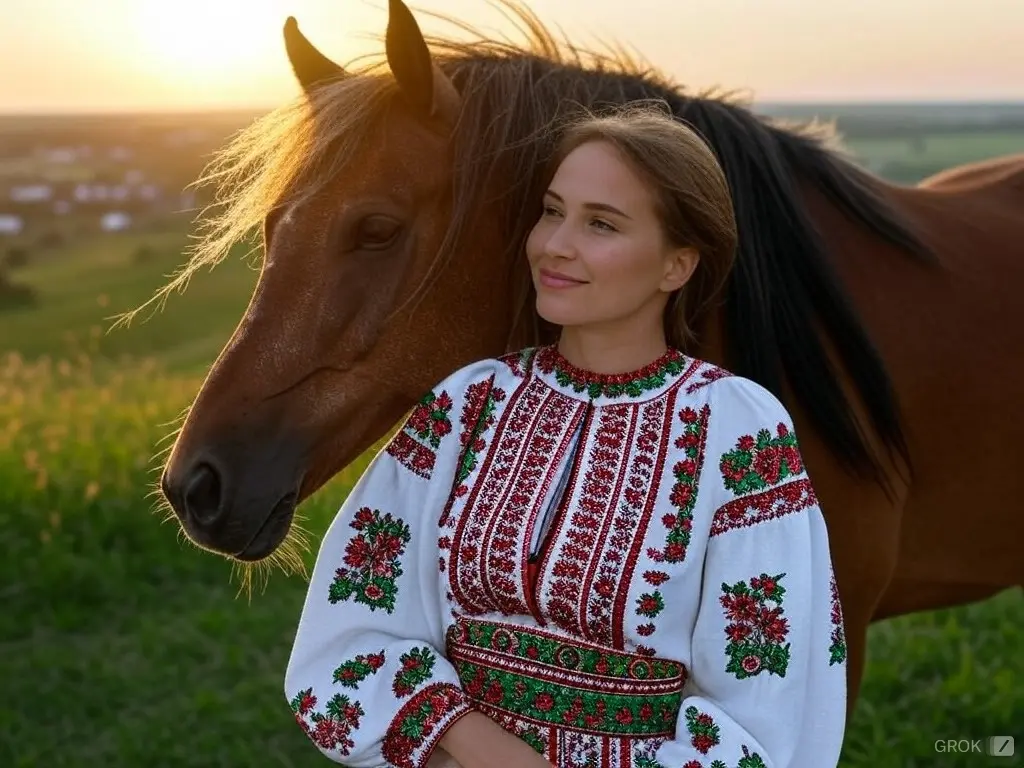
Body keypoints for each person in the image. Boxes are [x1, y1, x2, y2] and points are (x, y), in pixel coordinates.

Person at [283, 103, 848, 768]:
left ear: (677, 266)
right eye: (553, 211)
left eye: (601, 223)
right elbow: (350, 627)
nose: (555, 243)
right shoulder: (467, 405)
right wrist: (475, 746)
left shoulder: (740, 431)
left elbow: (772, 701)